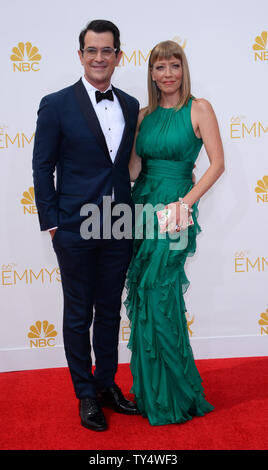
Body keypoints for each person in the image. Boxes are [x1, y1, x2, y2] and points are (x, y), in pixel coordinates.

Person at [32, 19, 140, 432]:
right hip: (74, 227)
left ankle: (107, 383)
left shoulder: (130, 104)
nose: (99, 57)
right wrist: (54, 224)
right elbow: (43, 167)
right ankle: (85, 394)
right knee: (79, 313)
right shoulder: (55, 104)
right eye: (91, 50)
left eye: (107, 50)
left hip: (118, 224)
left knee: (110, 311)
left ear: (118, 55)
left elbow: (127, 165)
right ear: (81, 56)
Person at [126, 40, 224, 425]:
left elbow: (216, 165)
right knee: (143, 293)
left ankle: (177, 393)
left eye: (174, 66)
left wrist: (185, 203)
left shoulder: (199, 109)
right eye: (159, 67)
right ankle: (153, 392)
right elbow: (134, 167)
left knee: (160, 290)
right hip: (141, 207)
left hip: (175, 210)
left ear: (184, 70)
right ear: (150, 73)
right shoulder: (143, 115)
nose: (167, 74)